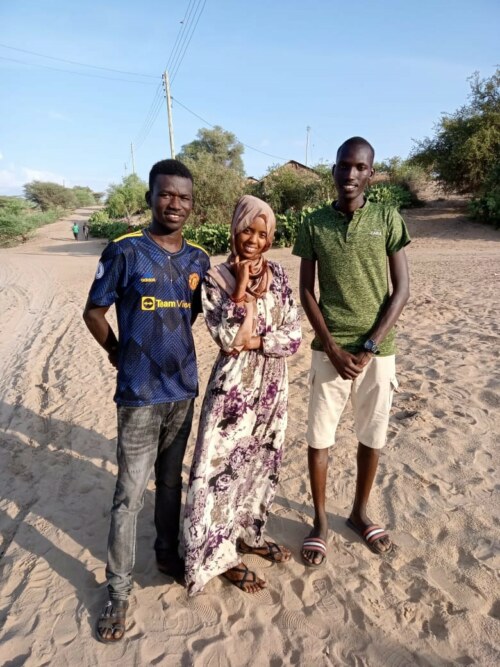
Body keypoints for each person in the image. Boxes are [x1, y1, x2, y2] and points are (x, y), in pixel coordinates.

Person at [83, 159, 210, 642]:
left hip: (182, 391)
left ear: (192, 204)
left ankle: (166, 553)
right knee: (129, 495)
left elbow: (193, 315)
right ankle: (117, 590)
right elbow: (93, 312)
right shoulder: (125, 252)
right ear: (150, 196)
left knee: (170, 483)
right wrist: (119, 351)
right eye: (166, 195)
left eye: (183, 197)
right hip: (138, 394)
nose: (174, 204)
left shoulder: (198, 260)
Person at [292, 137, 410, 566]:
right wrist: (334, 348)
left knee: (371, 436)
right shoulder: (314, 222)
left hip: (379, 351)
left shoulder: (387, 218)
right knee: (319, 437)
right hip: (330, 350)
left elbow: (402, 292)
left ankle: (359, 513)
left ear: (371, 174)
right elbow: (306, 291)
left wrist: (371, 344)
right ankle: (320, 521)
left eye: (361, 167)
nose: (351, 175)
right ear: (334, 170)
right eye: (344, 166)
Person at [183, 195, 302, 595]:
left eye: (262, 233)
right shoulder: (215, 279)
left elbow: (295, 337)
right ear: (235, 228)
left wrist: (258, 339)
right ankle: (220, 557)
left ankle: (249, 536)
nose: (253, 239)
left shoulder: (281, 276)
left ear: (270, 238)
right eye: (247, 229)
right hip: (233, 391)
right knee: (219, 473)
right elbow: (230, 339)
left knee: (260, 464)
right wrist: (242, 294)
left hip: (272, 388)